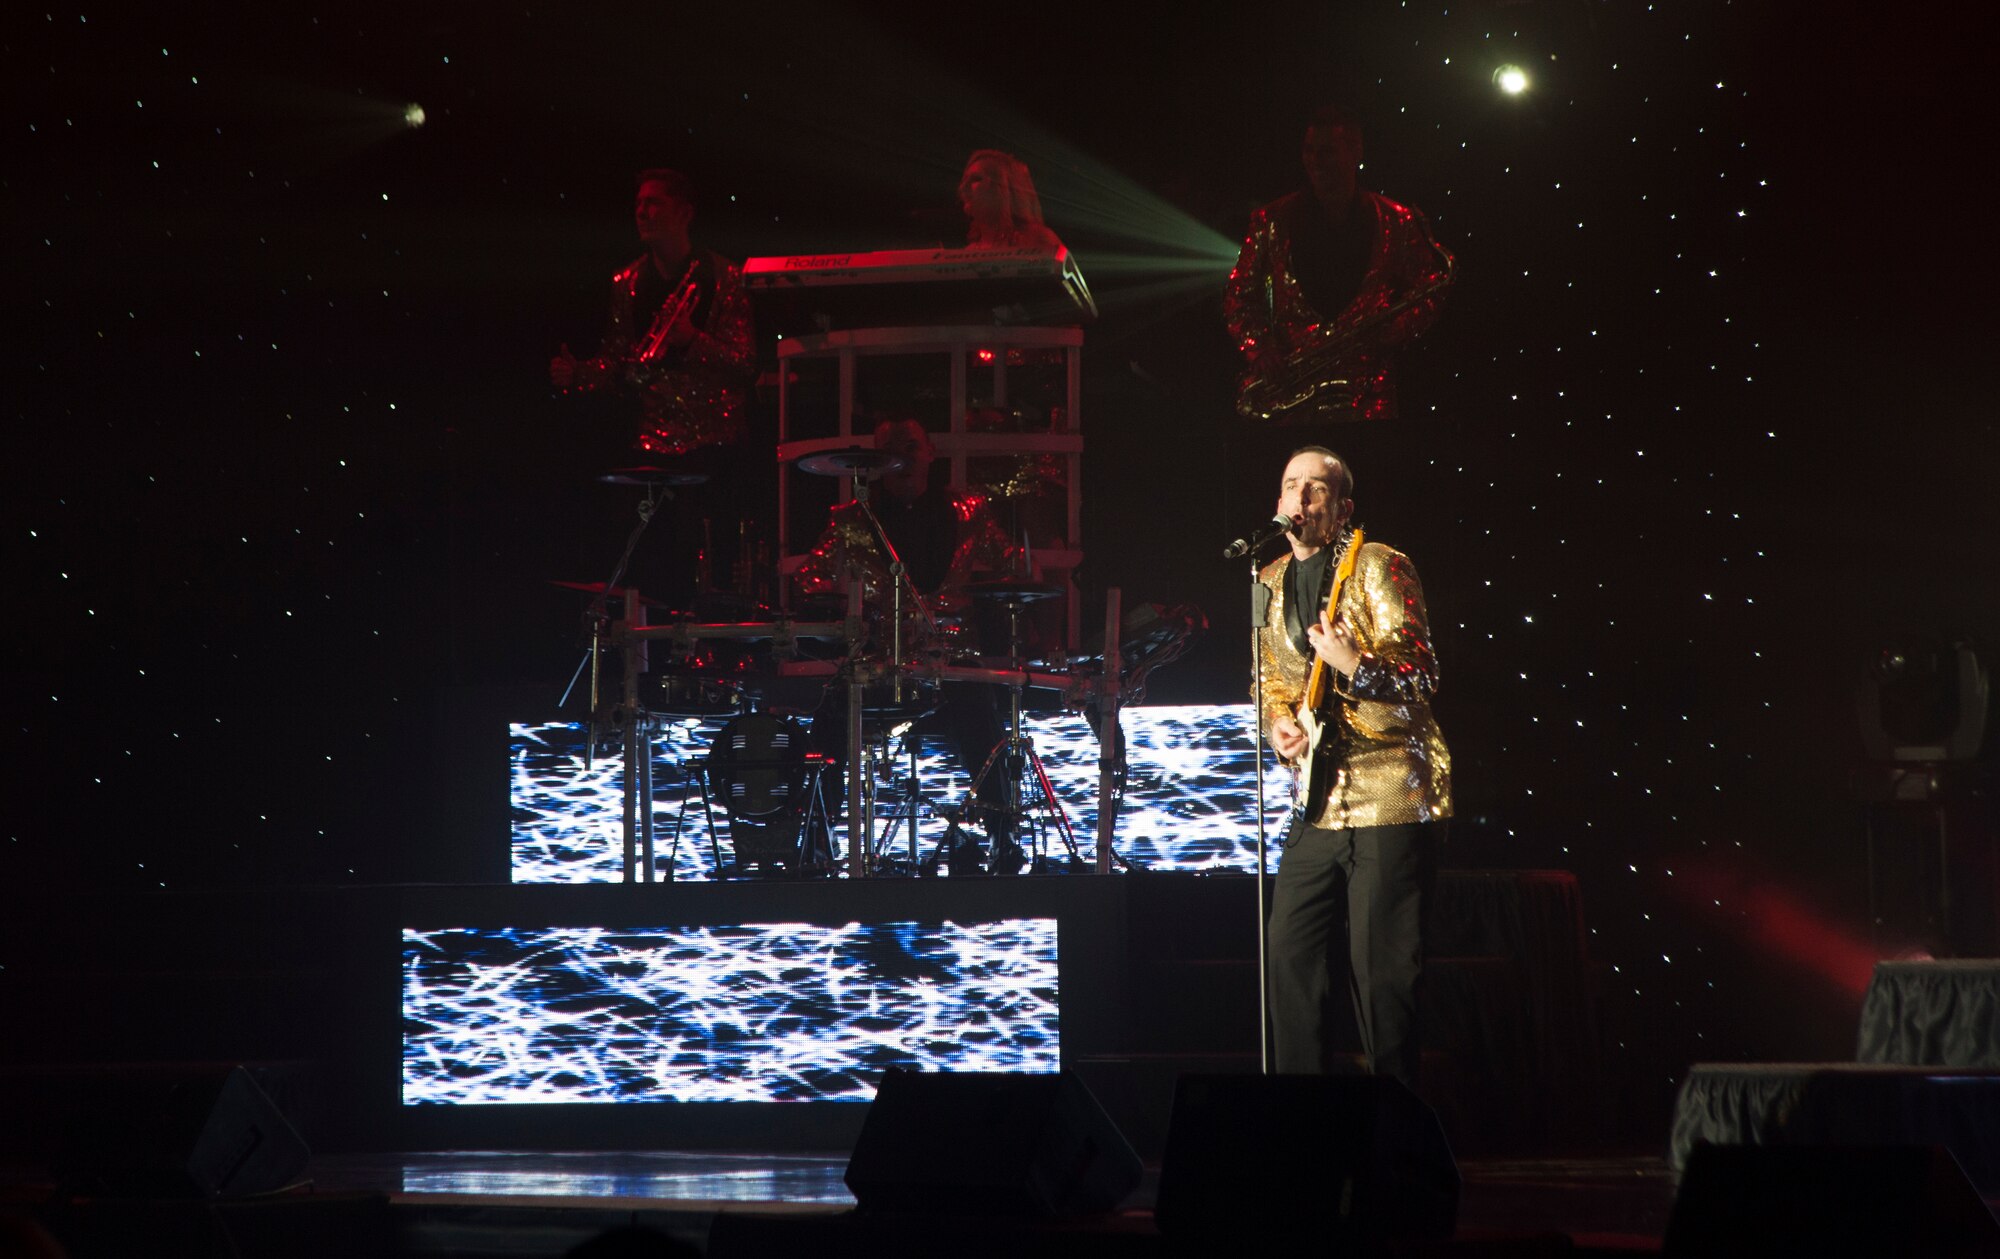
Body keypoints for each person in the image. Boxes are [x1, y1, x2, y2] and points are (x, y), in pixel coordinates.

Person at [1256, 446, 1452, 1086]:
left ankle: (1395, 1133)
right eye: (1292, 486)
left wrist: (1354, 665)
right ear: (1279, 503)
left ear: (1342, 509)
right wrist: (1277, 725)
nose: (1302, 498)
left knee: (1384, 974)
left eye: (1317, 488)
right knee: (1290, 954)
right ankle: (1301, 1128)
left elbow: (1422, 674)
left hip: (1390, 784)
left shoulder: (1379, 566)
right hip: (1316, 798)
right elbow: (1269, 684)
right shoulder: (1267, 581)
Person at [796, 418, 1026, 872]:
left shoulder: (969, 511)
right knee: (828, 722)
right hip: (879, 660)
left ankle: (1004, 835)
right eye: (891, 451)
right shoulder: (851, 521)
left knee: (982, 720)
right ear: (878, 461)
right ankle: (817, 839)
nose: (902, 459)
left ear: (930, 453)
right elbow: (811, 582)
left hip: (952, 657)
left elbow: (1011, 569)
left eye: (910, 448)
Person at [1224, 106, 1455, 423]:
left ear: (1356, 151)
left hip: (1368, 393)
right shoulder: (1271, 220)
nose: (1315, 161)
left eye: (1327, 151)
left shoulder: (1397, 219)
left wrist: (1399, 328)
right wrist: (1260, 350)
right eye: (1309, 151)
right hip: (1292, 394)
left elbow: (1434, 283)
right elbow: (1239, 294)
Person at [550, 167, 756, 459]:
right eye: (638, 204)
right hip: (648, 444)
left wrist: (692, 340)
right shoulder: (626, 281)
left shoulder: (727, 277)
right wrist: (578, 374)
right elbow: (617, 361)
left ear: (685, 213)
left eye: (653, 203)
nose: (642, 212)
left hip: (716, 445)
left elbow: (744, 364)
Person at [958, 150, 1064, 251]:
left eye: (976, 179)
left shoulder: (1038, 239)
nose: (963, 187)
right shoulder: (969, 252)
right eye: (964, 180)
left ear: (1002, 188)